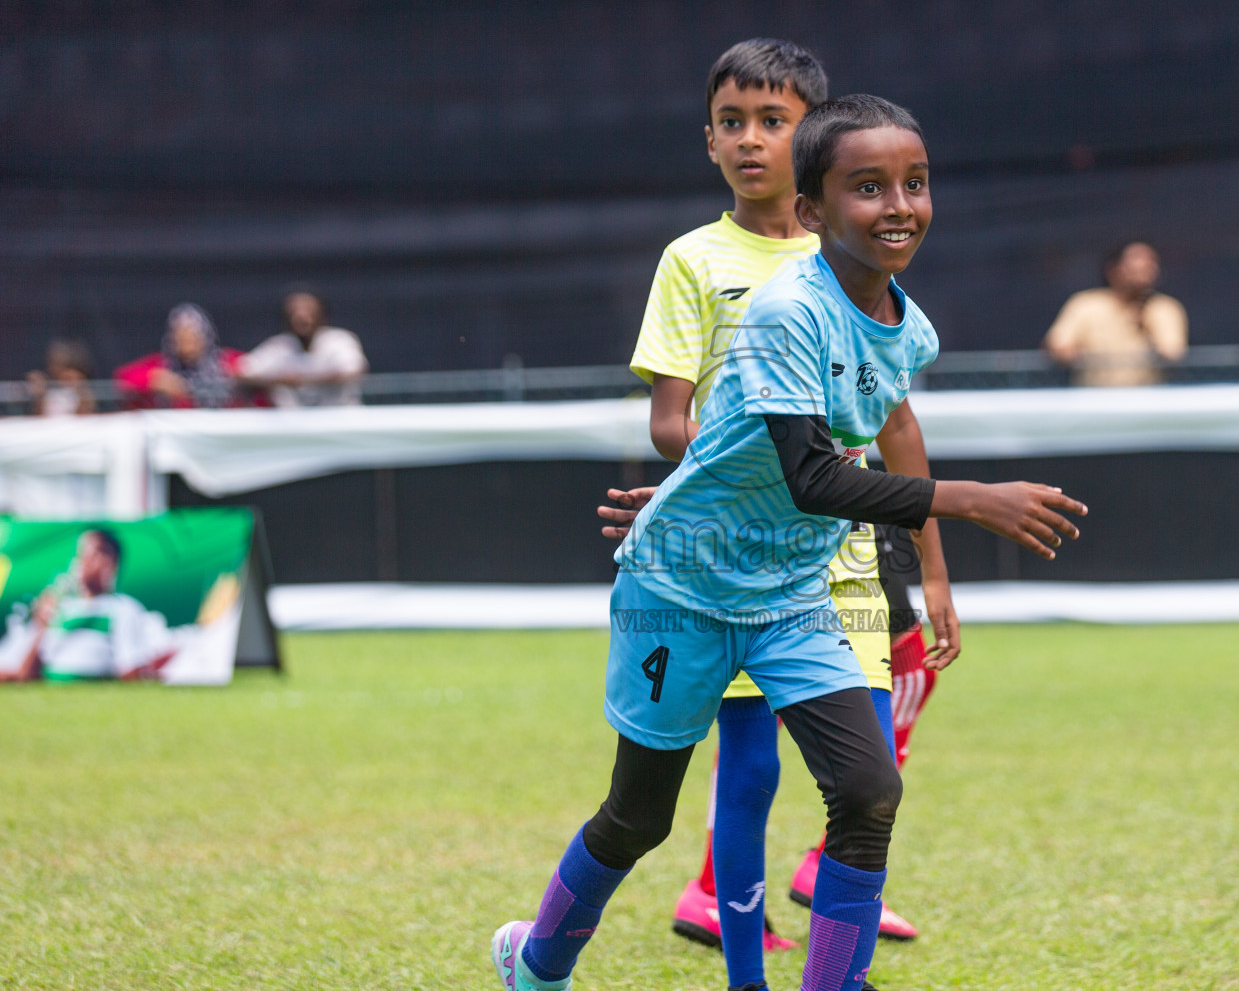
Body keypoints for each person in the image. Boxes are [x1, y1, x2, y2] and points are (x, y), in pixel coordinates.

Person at [491, 95, 1087, 991]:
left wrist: (933, 563)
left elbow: (854, 446)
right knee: (639, 818)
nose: (898, 206)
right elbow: (811, 476)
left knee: (868, 790)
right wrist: (968, 500)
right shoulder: (784, 312)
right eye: (868, 187)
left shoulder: (906, 327)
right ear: (812, 214)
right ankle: (534, 963)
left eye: (914, 184)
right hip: (682, 591)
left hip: (789, 597)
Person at [605, 38, 951, 990]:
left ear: (815, 149)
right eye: (732, 123)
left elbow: (895, 423)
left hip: (846, 542)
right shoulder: (695, 262)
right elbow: (676, 423)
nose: (752, 141)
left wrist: (931, 561)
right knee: (750, 768)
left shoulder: (861, 253)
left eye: (775, 122)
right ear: (708, 139)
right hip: (743, 552)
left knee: (870, 768)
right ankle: (738, 951)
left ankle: (836, 958)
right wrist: (720, 475)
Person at [0, 529, 175, 682]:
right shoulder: (60, 607)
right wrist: (41, 626)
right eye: (79, 554)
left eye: (89, 554)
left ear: (109, 561)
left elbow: (130, 672)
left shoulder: (123, 609)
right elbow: (26, 674)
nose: (81, 562)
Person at [1043, 240, 1188, 386]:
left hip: (1147, 400)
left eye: (1149, 268)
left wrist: (1147, 327)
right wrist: (1074, 353)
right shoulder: (1086, 305)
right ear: (1114, 270)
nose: (1143, 274)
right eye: (1134, 269)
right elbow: (1058, 345)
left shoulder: (1165, 309)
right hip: (1096, 399)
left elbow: (1173, 354)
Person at [239, 287, 369, 407]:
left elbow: (354, 371)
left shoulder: (339, 340)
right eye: (294, 312)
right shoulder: (279, 345)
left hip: (340, 422)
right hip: (292, 426)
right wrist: (278, 380)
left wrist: (304, 380)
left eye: (308, 310)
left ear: (321, 313)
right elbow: (241, 374)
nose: (301, 317)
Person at [115, 303, 261, 409]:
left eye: (193, 338)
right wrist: (152, 379)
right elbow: (121, 379)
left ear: (206, 337)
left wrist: (238, 379)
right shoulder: (162, 365)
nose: (187, 344)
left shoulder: (226, 362)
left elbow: (260, 374)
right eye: (181, 338)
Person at [27, 339, 96, 416]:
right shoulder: (46, 384)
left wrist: (78, 389)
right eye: (52, 362)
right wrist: (39, 395)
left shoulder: (76, 379)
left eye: (58, 363)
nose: (54, 367)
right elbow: (39, 414)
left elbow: (86, 411)